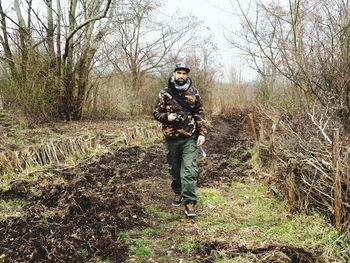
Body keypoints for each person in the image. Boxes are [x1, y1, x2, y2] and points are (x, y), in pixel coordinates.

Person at [153, 63, 207, 217]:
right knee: (174, 169)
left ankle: (189, 202)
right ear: (174, 74)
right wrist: (166, 117)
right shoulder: (165, 93)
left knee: (189, 171)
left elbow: (200, 114)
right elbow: (156, 113)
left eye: (184, 73)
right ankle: (178, 191)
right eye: (179, 73)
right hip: (171, 139)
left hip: (189, 138)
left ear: (187, 75)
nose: (182, 76)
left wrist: (202, 133)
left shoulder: (194, 92)